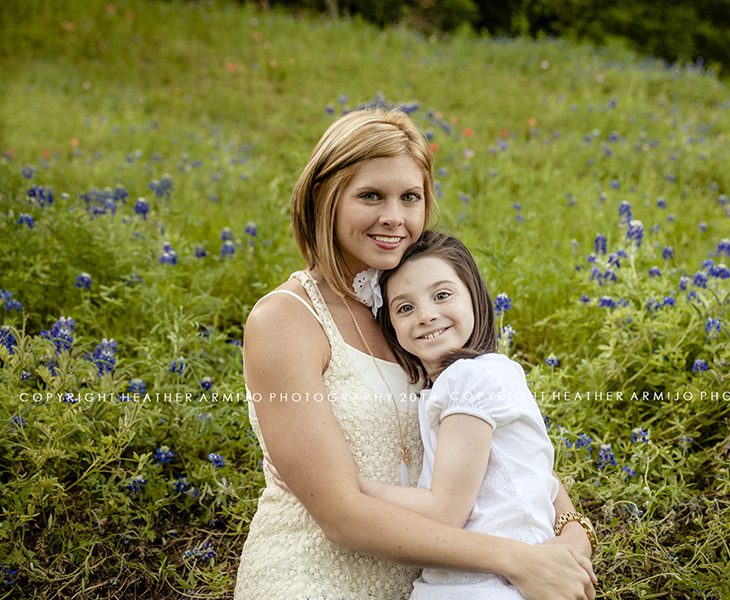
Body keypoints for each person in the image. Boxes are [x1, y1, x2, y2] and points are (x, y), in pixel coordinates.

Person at [236, 108, 596, 600]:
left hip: (441, 583)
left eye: (410, 197)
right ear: (325, 198)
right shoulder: (286, 320)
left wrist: (573, 532)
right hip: (316, 578)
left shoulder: (415, 311)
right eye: (370, 196)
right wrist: (516, 558)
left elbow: (500, 446)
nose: (394, 217)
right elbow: (340, 516)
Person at [360, 231, 596, 599]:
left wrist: (354, 487)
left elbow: (444, 512)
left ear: (474, 295)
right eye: (404, 307)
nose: (426, 315)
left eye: (442, 295)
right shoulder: (481, 375)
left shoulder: (468, 378)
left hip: (486, 585)